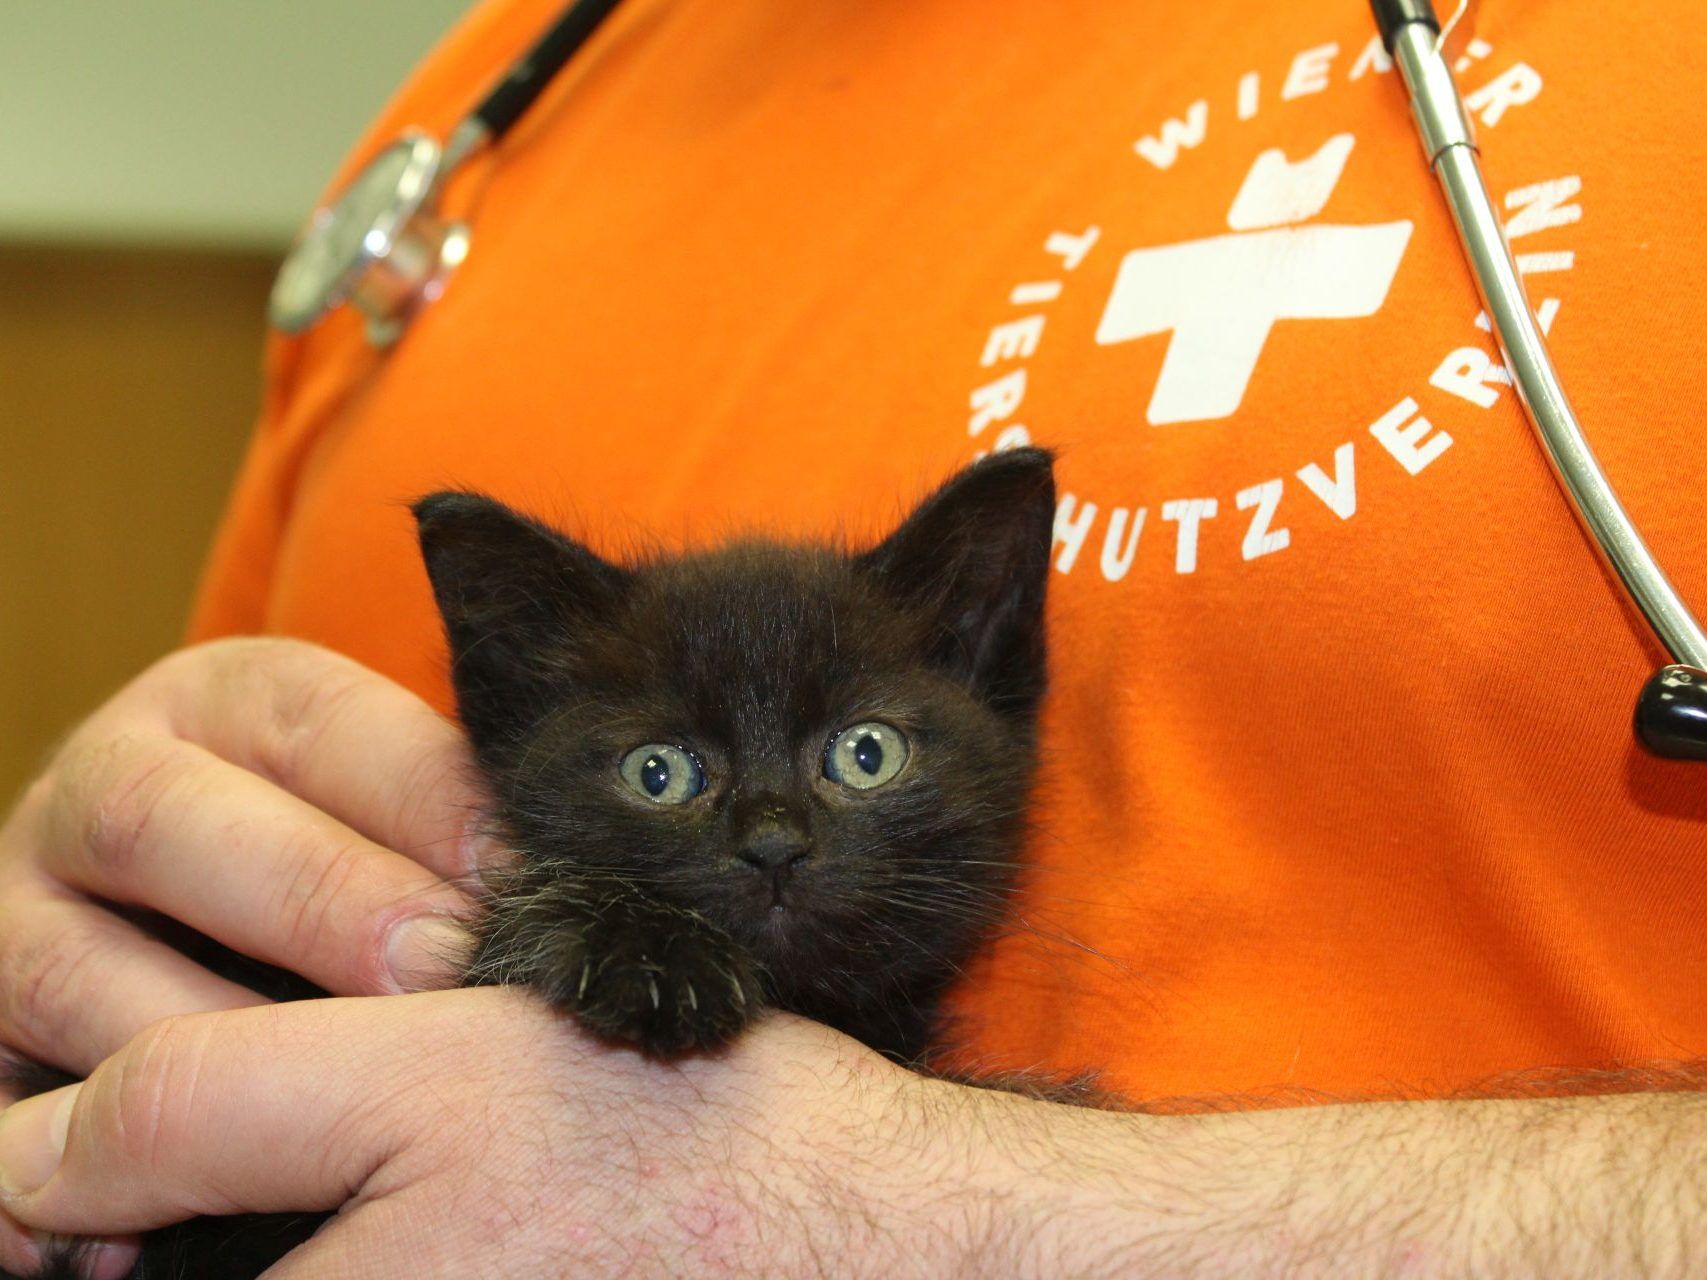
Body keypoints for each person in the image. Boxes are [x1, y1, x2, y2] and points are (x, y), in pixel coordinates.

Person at [3, 0, 1706, 1273]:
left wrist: (966, 1221)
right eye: (670, 773)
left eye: (860, 755)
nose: (764, 830)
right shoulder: (489, 102)